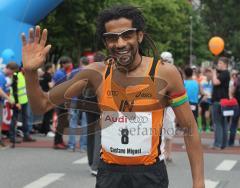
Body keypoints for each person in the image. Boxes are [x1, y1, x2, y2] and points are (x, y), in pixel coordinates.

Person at [21, 5, 204, 188]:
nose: (120, 43)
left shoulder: (165, 73)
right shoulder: (96, 73)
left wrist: (198, 182)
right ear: (105, 42)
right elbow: (41, 105)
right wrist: (29, 72)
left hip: (150, 176)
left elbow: (190, 127)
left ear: (139, 36)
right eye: (112, 38)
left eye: (127, 35)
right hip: (109, 176)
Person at [211, 57, 230, 149]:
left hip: (219, 101)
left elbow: (215, 82)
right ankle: (223, 144)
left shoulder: (225, 73)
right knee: (223, 123)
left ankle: (218, 144)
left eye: (220, 63)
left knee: (218, 123)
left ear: (225, 64)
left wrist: (214, 73)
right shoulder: (225, 73)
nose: (218, 65)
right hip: (222, 101)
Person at [160, 51, 175, 163]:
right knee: (159, 129)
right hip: (159, 104)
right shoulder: (157, 72)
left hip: (170, 105)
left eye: (167, 60)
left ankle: (168, 153)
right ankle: (162, 152)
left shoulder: (175, 73)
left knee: (169, 127)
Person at [0, 62, 17, 146]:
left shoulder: (4, 76)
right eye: (13, 72)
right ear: (9, 69)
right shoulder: (1, 76)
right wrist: (8, 99)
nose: (13, 74)